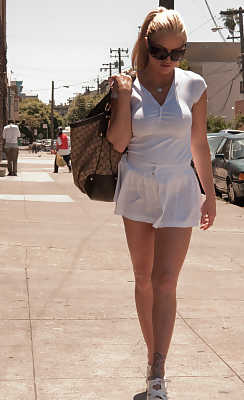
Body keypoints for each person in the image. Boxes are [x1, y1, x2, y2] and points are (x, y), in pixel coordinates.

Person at [107, 7, 216, 400]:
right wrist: (121, 97)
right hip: (136, 186)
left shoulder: (194, 85)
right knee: (143, 280)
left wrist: (210, 194)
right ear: (145, 46)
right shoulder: (127, 84)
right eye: (160, 52)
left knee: (165, 281)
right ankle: (153, 358)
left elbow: (199, 142)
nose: (169, 60)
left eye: (178, 52)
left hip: (179, 188)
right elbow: (119, 142)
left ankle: (157, 369)